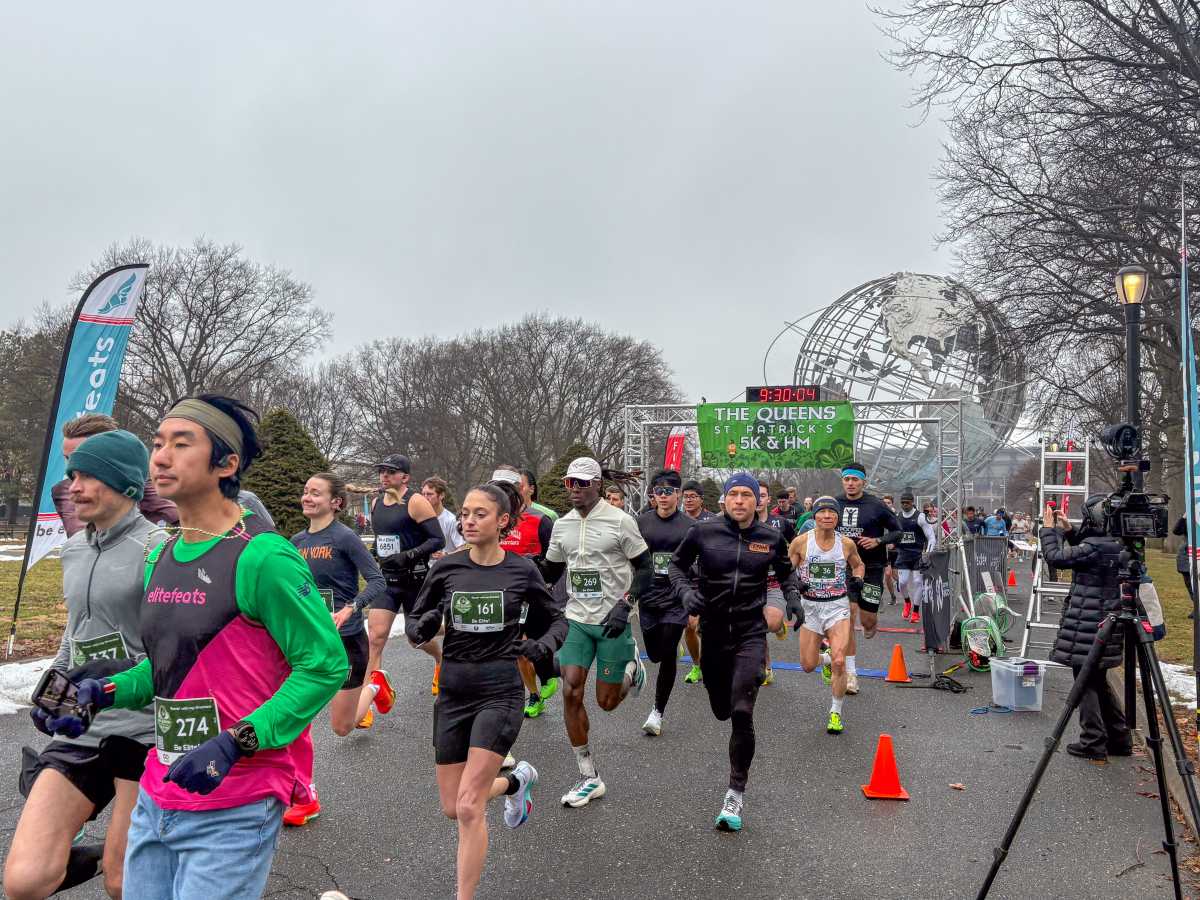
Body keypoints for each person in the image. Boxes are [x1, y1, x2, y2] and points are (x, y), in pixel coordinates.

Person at [41, 394, 347, 899]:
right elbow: (166, 671)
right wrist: (104, 692)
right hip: (159, 793)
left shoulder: (263, 556)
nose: (160, 456)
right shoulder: (159, 554)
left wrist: (236, 742)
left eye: (182, 444)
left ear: (226, 463)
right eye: (158, 443)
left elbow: (323, 665)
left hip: (236, 800)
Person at [4, 430, 160, 900]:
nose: (74, 486)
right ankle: (96, 853)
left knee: (123, 885)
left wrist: (112, 682)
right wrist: (51, 691)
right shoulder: (74, 550)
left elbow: (173, 654)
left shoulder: (159, 550)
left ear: (127, 485)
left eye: (88, 476)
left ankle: (123, 860)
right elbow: (76, 637)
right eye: (73, 475)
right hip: (83, 727)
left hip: (144, 731)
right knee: (23, 882)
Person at [405, 481, 567, 900]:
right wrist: (419, 628)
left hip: (499, 691)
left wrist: (542, 646)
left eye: (480, 514)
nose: (469, 520)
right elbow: (418, 616)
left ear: (502, 521)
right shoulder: (447, 568)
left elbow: (556, 621)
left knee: (468, 807)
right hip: (454, 691)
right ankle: (516, 783)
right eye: (465, 514)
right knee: (451, 807)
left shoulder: (521, 570)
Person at [668, 473, 800, 831]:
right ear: (725, 500)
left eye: (747, 495)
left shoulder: (771, 537)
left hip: (749, 633)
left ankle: (735, 793)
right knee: (721, 709)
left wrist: (793, 600)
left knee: (742, 711)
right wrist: (685, 594)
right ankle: (721, 698)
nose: (740, 501)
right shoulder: (703, 532)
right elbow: (675, 567)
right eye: (734, 494)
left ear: (757, 501)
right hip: (713, 632)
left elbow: (786, 574)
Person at [543, 457, 652, 808]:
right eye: (569, 483)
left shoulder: (621, 522)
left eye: (582, 483)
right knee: (570, 690)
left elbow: (646, 568)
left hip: (612, 621)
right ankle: (588, 776)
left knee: (606, 703)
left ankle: (632, 669)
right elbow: (550, 570)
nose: (574, 489)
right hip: (576, 618)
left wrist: (627, 603)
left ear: (598, 485)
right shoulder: (562, 526)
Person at [286, 472, 387, 826]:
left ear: (336, 503)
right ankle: (304, 793)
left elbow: (377, 581)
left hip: (346, 642)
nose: (307, 497)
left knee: (342, 728)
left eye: (316, 492)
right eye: (305, 491)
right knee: (297, 720)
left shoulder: (345, 538)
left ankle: (375, 687)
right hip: (306, 645)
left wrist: (348, 609)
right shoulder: (296, 541)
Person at [1040, 499, 1132, 761]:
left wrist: (1050, 529)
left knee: (1085, 681)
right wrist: (1069, 532)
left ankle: (1093, 740)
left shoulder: (1094, 548)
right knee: (1098, 680)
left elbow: (1055, 558)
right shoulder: (1118, 545)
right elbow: (1087, 555)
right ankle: (1120, 737)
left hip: (1088, 625)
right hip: (1108, 622)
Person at [369, 453, 446, 710]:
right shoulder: (376, 503)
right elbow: (384, 539)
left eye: (391, 472)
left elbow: (437, 540)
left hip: (415, 581)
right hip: (387, 581)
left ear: (405, 477)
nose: (385, 476)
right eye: (382, 471)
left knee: (417, 639)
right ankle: (371, 698)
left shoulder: (415, 502)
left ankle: (440, 658)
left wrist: (408, 555)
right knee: (376, 637)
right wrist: (375, 554)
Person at [791, 496, 865, 735]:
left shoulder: (846, 544)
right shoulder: (801, 542)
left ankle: (835, 712)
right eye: (822, 512)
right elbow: (787, 570)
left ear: (837, 517)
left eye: (831, 513)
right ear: (815, 516)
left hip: (837, 607)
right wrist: (796, 583)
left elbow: (858, 564)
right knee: (807, 665)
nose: (826, 516)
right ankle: (825, 659)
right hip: (810, 607)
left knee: (841, 660)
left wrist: (858, 579)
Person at [491, 466, 559, 719]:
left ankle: (548, 672)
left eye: (515, 486)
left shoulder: (542, 518)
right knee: (517, 647)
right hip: (506, 594)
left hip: (535, 591)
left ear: (527, 489)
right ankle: (533, 696)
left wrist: (546, 582)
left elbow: (556, 559)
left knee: (536, 644)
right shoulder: (495, 519)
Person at [634, 469, 694, 735]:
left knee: (667, 654)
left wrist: (696, 597)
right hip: (648, 595)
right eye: (660, 492)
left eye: (670, 492)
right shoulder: (641, 522)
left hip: (676, 597)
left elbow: (699, 564)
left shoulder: (689, 527)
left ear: (678, 495)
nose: (664, 497)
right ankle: (666, 648)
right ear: (653, 495)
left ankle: (657, 712)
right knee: (655, 654)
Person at [51, 413, 179, 536]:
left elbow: (186, 520)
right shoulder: (64, 490)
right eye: (67, 458)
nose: (71, 466)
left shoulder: (141, 487)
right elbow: (80, 538)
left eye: (84, 458)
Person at [835, 461, 901, 695]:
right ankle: (851, 675)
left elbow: (898, 530)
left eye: (855, 479)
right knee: (849, 616)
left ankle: (871, 620)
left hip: (872, 566)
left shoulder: (876, 505)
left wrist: (878, 541)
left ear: (863, 481)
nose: (851, 483)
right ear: (842, 481)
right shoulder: (835, 503)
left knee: (867, 621)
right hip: (845, 567)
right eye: (847, 479)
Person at [758, 483, 795, 684]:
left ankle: (778, 623)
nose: (758, 499)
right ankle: (766, 668)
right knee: (757, 627)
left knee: (769, 623)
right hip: (752, 583)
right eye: (754, 495)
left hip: (775, 582)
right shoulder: (741, 523)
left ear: (768, 499)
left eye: (762, 495)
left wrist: (790, 567)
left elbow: (795, 544)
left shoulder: (780, 523)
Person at [679, 479, 710, 683]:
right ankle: (697, 665)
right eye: (686, 496)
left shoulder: (712, 520)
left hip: (710, 580)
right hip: (686, 581)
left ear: (701, 499)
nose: (689, 500)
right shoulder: (677, 520)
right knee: (689, 626)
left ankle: (710, 663)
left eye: (693, 496)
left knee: (707, 627)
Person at [894, 491, 936, 624]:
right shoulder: (898, 516)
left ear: (912, 502)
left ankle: (916, 611)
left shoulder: (921, 517)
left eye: (907, 502)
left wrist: (927, 553)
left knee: (918, 582)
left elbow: (931, 537)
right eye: (903, 503)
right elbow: (893, 533)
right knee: (902, 582)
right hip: (903, 554)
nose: (905, 505)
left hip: (918, 555)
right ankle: (907, 602)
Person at [423, 476, 466, 556]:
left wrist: (445, 555)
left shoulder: (451, 520)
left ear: (441, 495)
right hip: (425, 567)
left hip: (446, 567)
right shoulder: (420, 519)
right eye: (423, 494)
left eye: (429, 494)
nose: (425, 498)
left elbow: (463, 548)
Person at [882, 493, 899, 605]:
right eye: (884, 503)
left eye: (888, 503)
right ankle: (893, 596)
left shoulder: (896, 516)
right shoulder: (878, 515)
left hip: (894, 550)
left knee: (894, 575)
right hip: (883, 550)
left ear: (892, 504)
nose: (886, 505)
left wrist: (894, 543)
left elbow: (901, 532)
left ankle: (902, 586)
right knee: (887, 574)